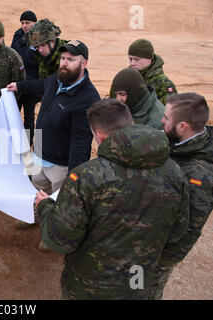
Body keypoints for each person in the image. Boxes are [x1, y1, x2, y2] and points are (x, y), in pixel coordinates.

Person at [34, 98, 189, 299]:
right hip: (138, 281)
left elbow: (60, 241)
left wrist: (45, 206)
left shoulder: (87, 176)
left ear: (98, 136)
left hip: (90, 286)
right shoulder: (175, 172)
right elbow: (178, 232)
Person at [7, 40, 100, 243]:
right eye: (62, 58)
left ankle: (51, 233)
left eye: (70, 60)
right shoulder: (57, 79)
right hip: (39, 153)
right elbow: (40, 84)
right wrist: (18, 86)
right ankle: (36, 216)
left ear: (83, 63)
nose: (64, 63)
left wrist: (74, 175)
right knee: (37, 190)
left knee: (58, 201)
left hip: (60, 164)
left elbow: (81, 142)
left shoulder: (88, 98)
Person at [150, 93, 213, 299]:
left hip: (160, 252)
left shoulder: (199, 176)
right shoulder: (176, 141)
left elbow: (188, 228)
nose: (161, 120)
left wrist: (152, 251)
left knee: (143, 287)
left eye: (167, 117)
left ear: (183, 126)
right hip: (150, 238)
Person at [109, 38, 177, 104]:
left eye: (137, 59)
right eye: (130, 59)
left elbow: (172, 111)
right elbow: (112, 105)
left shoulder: (163, 84)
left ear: (149, 59)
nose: (132, 63)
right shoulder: (123, 78)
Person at [11, 10, 40, 146]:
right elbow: (11, 55)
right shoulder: (17, 36)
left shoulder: (40, 38)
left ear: (34, 23)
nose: (24, 25)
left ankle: (28, 143)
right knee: (14, 115)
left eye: (27, 23)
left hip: (31, 83)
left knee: (29, 116)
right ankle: (14, 142)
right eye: (22, 23)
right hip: (17, 82)